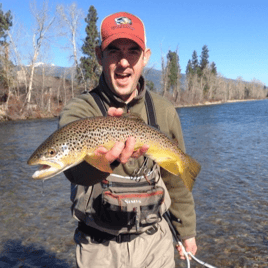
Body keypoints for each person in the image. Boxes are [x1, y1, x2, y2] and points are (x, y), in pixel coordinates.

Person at [59, 11, 197, 268]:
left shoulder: (164, 111)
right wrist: (103, 161)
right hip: (99, 248)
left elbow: (175, 179)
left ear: (145, 57)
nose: (124, 62)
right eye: (114, 51)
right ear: (100, 55)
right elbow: (74, 171)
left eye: (133, 51)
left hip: (155, 244)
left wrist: (186, 230)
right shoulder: (80, 111)